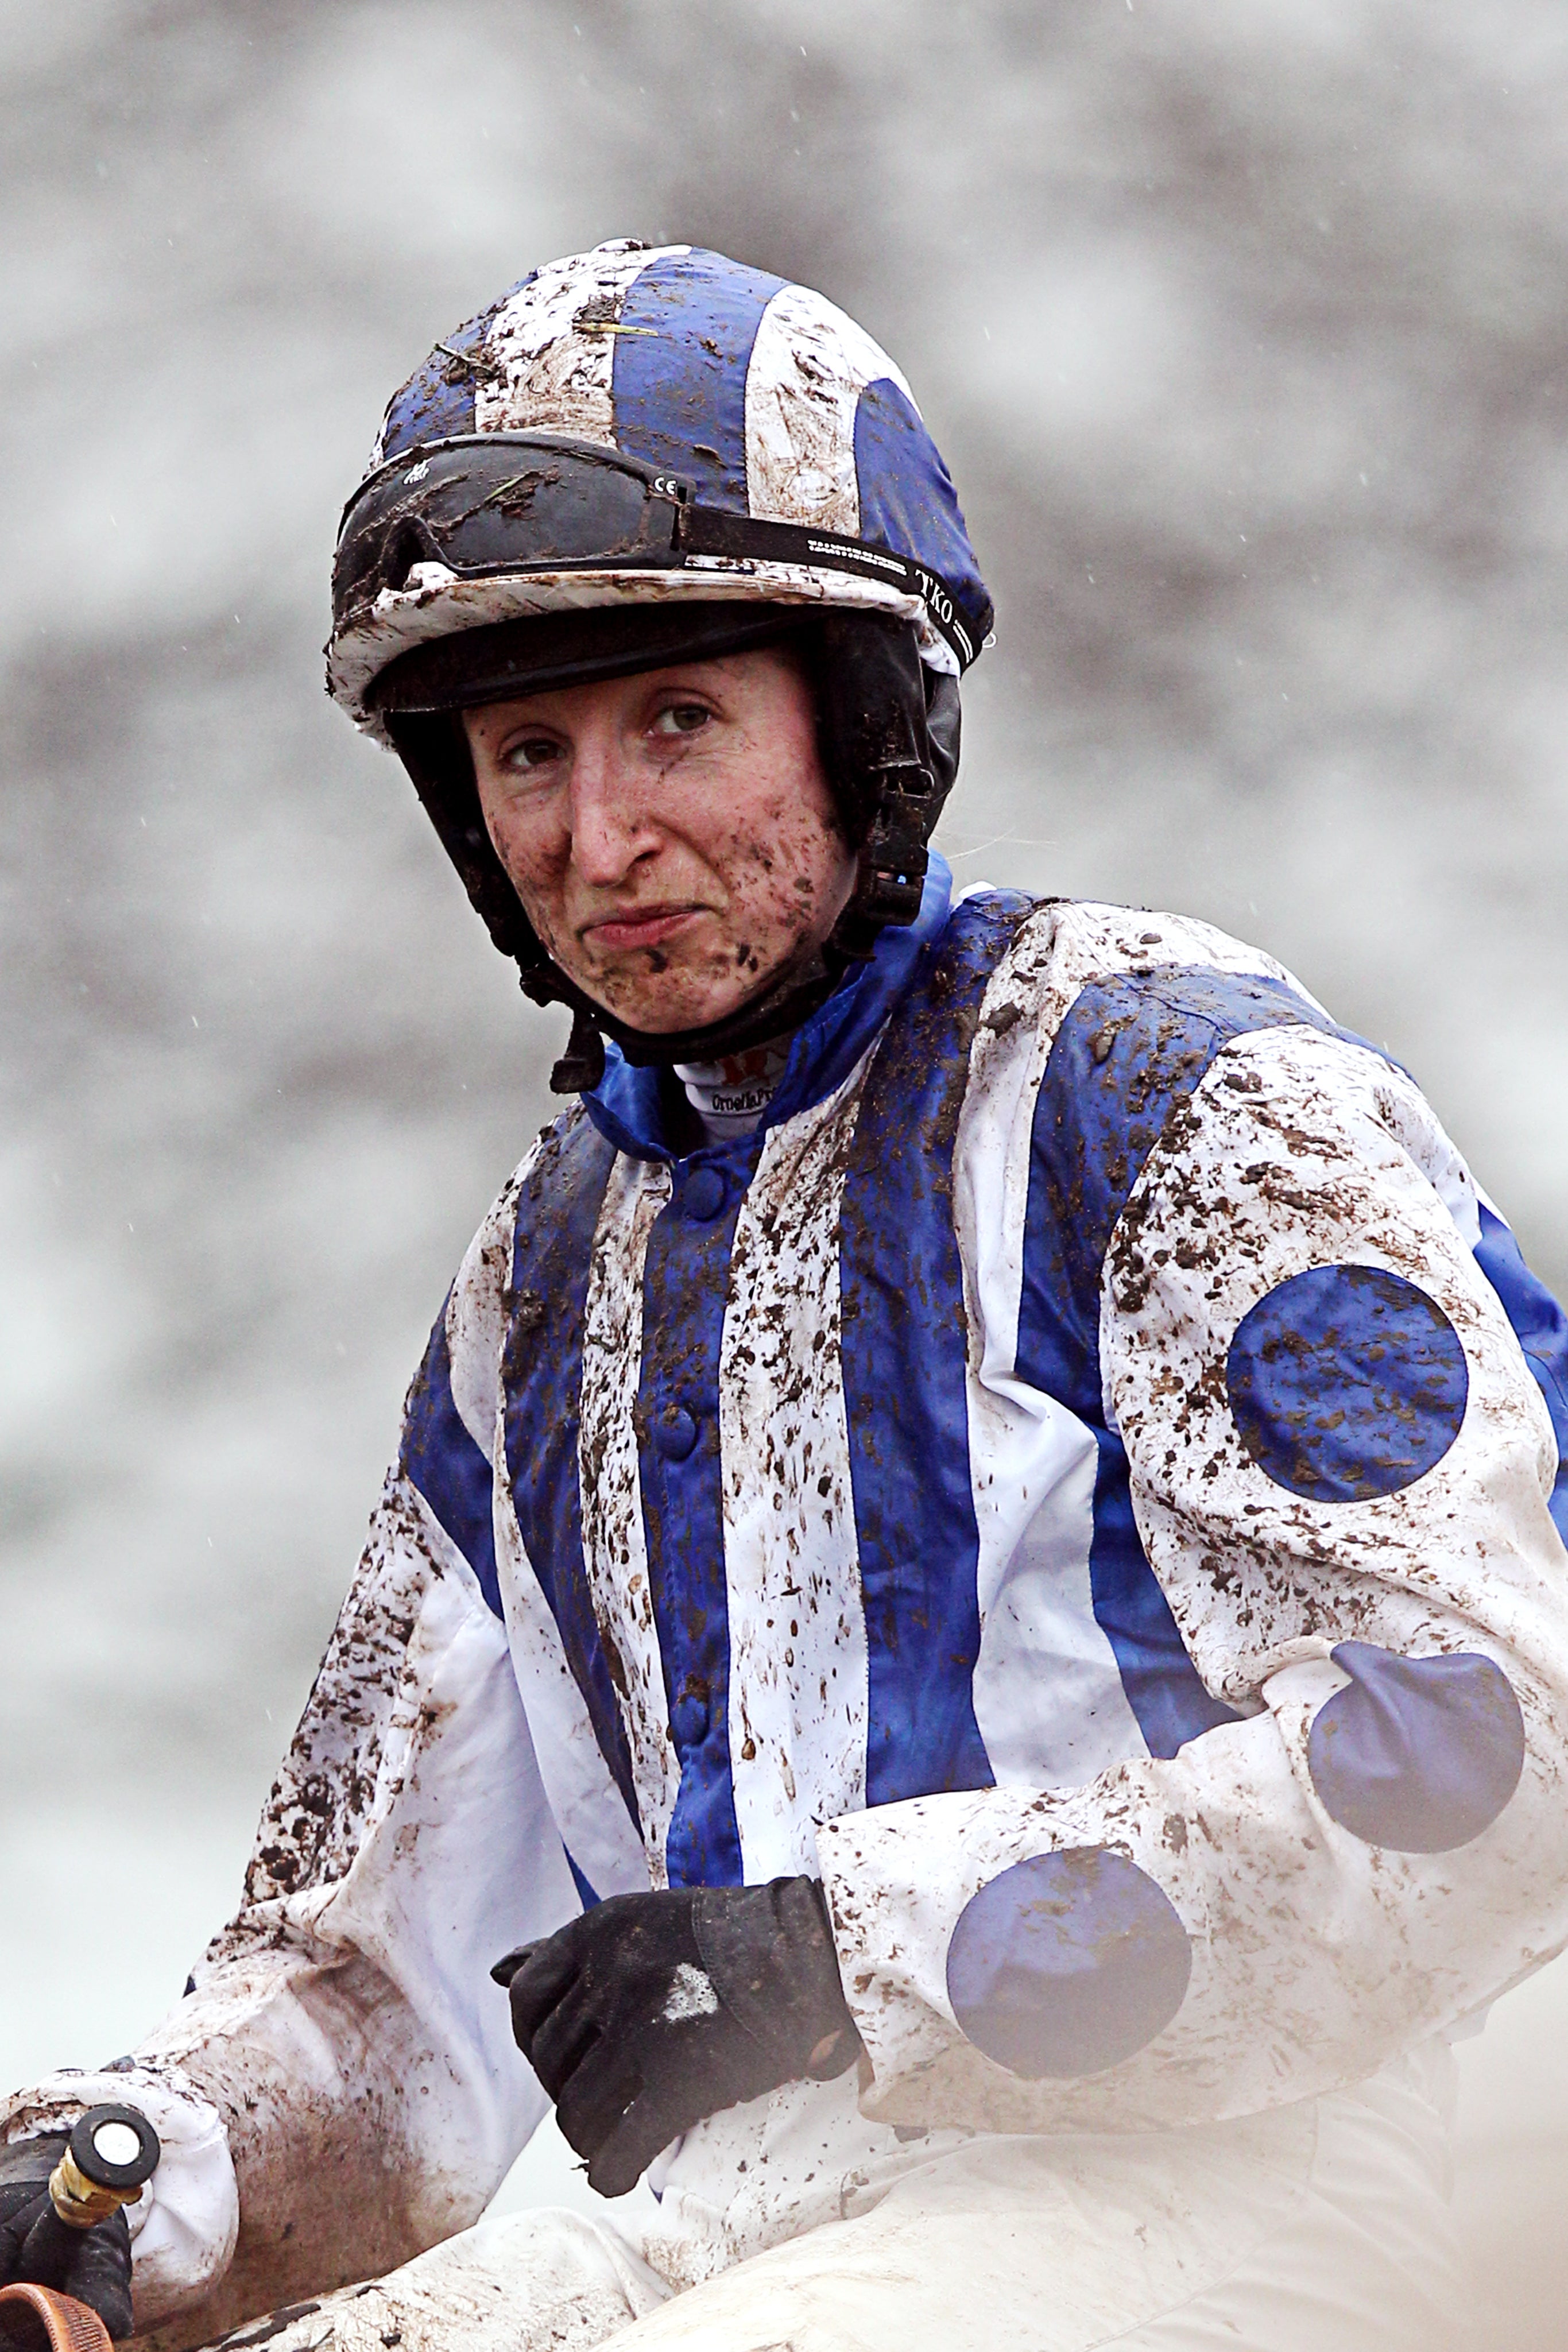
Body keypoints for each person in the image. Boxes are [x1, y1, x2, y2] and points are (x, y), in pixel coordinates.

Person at [5, 238, 1568, 2352]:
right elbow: (378, 1987)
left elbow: (1487, 1750)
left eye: (676, 720)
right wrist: (127, 2177)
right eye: (526, 754)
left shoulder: (1172, 1090)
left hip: (1230, 2206)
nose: (601, 830)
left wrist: (843, 1960)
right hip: (715, 2238)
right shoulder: (532, 1285)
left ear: (861, 729)